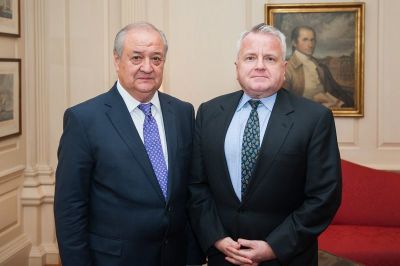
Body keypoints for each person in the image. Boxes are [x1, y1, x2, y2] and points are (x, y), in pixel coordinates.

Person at [188, 23, 342, 265]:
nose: (259, 65)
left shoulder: (314, 119)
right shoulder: (208, 113)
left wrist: (274, 246)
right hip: (224, 255)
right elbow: (196, 186)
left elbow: (324, 197)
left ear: (284, 68)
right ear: (237, 66)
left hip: (286, 257)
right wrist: (215, 237)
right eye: (250, 57)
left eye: (270, 58)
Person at [54, 22, 204, 266]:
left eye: (156, 58)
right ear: (117, 60)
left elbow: (189, 192)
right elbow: (70, 208)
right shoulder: (84, 119)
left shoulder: (183, 112)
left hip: (175, 256)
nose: (147, 67)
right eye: (136, 57)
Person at [284, 25, 353, 108]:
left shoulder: (321, 67)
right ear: (294, 43)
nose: (310, 45)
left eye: (312, 40)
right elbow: (284, 102)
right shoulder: (287, 68)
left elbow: (335, 90)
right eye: (305, 40)